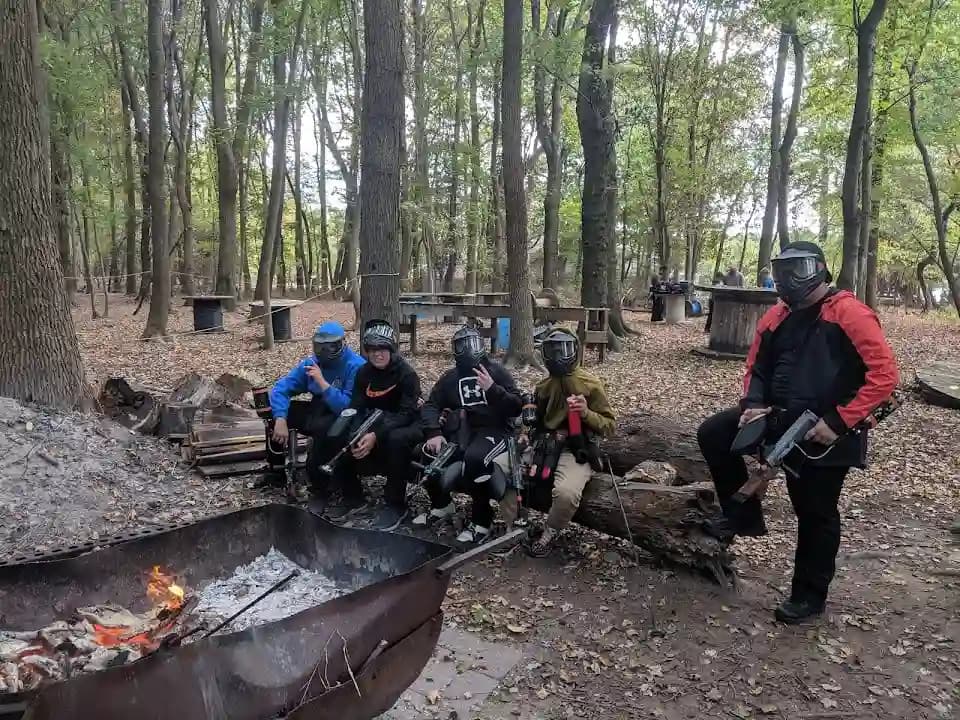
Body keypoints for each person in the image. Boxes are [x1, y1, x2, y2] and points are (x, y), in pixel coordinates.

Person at [696, 241, 899, 624]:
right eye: (783, 271)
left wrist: (839, 421)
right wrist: (752, 405)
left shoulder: (850, 313)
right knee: (714, 434)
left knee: (815, 511)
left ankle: (809, 595)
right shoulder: (777, 315)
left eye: (798, 270)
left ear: (820, 269)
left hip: (828, 431)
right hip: (778, 416)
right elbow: (756, 366)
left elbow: (885, 376)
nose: (789, 280)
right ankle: (742, 516)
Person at [507, 329, 616, 557]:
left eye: (563, 349)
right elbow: (535, 419)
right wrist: (526, 431)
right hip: (544, 443)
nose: (557, 355)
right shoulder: (543, 386)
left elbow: (609, 425)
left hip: (576, 447)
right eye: (552, 350)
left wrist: (586, 413)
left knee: (566, 493)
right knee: (507, 471)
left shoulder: (590, 383)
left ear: (574, 350)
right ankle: (515, 525)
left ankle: (550, 531)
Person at [417, 326, 523, 543]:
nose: (467, 351)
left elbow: (516, 406)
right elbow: (431, 405)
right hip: (463, 432)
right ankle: (442, 505)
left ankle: (482, 521)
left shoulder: (496, 372)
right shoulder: (451, 378)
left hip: (496, 431)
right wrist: (434, 433)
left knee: (475, 460)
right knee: (425, 453)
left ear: (481, 346)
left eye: (472, 345)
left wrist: (493, 389)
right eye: (461, 346)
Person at [334, 319, 423, 530]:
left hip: (406, 425)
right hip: (373, 422)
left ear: (391, 349)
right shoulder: (364, 373)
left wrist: (375, 435)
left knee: (395, 441)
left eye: (382, 349)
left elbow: (406, 413)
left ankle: (395, 505)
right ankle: (352, 496)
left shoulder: (407, 375)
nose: (377, 354)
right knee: (342, 431)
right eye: (372, 350)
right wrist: (356, 432)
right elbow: (355, 406)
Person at [267, 321, 365, 506]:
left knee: (325, 430)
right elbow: (282, 388)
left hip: (347, 418)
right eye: (319, 346)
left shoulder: (356, 366)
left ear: (340, 344)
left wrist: (322, 384)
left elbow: (348, 408)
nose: (323, 352)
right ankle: (277, 471)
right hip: (318, 409)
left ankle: (322, 487)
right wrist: (280, 418)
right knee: (271, 415)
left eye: (328, 347)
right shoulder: (311, 363)